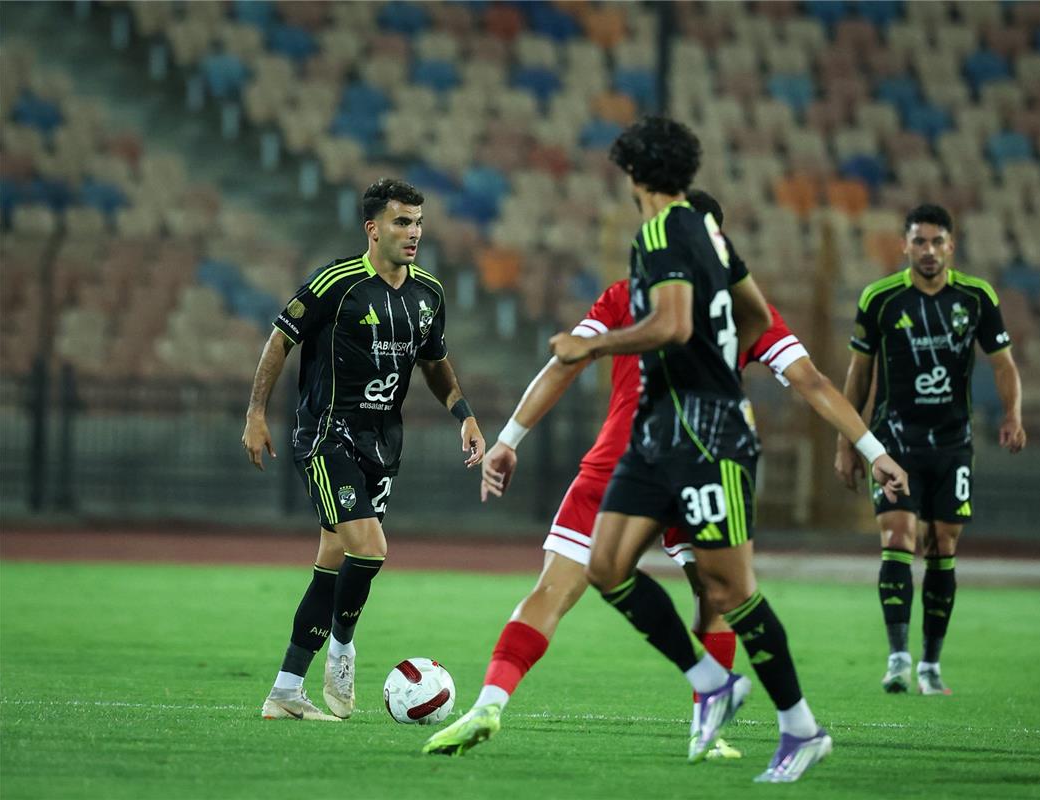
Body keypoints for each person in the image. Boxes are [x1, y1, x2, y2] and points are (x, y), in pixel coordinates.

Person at [422, 190, 909, 763]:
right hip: (702, 464)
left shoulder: (629, 296)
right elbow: (812, 382)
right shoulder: (736, 310)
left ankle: (490, 703)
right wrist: (873, 449)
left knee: (556, 590)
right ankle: (717, 721)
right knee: (720, 594)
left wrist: (509, 439)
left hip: (624, 464)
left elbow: (564, 361)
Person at [567, 117, 903, 783]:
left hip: (707, 433)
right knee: (605, 566)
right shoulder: (711, 235)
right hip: (658, 430)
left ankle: (801, 728)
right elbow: (753, 311)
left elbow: (673, 325)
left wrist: (594, 345)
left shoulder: (660, 233)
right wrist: (723, 353)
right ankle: (711, 681)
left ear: (633, 174)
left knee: (729, 588)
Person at [241, 178, 485, 721]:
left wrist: (464, 414)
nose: (413, 232)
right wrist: (256, 413)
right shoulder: (338, 283)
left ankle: (285, 691)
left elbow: (435, 362)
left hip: (383, 442)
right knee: (371, 549)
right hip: (327, 435)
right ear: (373, 229)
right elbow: (281, 338)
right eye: (402, 222)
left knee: (332, 563)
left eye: (418, 223)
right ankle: (342, 651)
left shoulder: (429, 293)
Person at [834, 203, 1025, 696]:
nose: (928, 250)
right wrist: (847, 442)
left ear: (951, 247)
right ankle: (897, 659)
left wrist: (1012, 414)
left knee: (942, 546)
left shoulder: (976, 297)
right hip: (894, 441)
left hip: (953, 443)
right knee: (898, 537)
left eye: (937, 241)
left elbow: (1003, 363)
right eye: (919, 241)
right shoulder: (880, 298)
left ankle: (931, 665)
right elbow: (859, 373)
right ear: (904, 246)